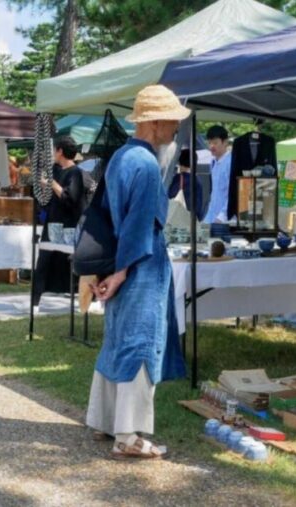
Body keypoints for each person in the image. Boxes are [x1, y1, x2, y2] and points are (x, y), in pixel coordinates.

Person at [86, 85, 187, 459]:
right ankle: (127, 434)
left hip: (122, 259)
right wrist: (124, 272)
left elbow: (111, 216)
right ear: (156, 121)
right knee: (141, 343)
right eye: (173, 120)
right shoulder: (145, 164)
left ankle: (102, 419)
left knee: (117, 338)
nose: (177, 127)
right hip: (141, 264)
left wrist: (113, 270)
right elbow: (139, 225)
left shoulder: (120, 157)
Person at [31, 136, 85, 310]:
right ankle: (34, 303)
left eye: (55, 150)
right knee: (43, 261)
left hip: (69, 225)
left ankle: (87, 299)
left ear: (60, 151)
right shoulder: (55, 169)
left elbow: (70, 198)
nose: (54, 153)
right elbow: (47, 197)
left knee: (73, 263)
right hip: (53, 222)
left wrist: (52, 184)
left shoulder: (75, 173)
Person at [203, 125, 231, 224]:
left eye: (215, 142)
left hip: (224, 220)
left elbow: (233, 194)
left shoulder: (230, 163)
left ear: (225, 142)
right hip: (212, 216)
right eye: (209, 142)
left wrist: (221, 217)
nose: (211, 146)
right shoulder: (213, 162)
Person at [168, 149, 204, 220]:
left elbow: (169, 198)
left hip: (176, 221)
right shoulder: (197, 180)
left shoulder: (176, 179)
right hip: (192, 222)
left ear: (179, 162)